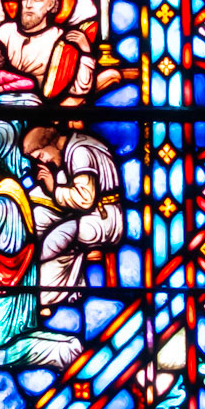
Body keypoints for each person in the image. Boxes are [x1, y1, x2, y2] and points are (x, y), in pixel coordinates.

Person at [0, 160, 83, 371]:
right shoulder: (14, 193)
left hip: (8, 277)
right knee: (22, 331)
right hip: (25, 271)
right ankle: (68, 344)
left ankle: (63, 352)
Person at [21, 122, 125, 307]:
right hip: (92, 216)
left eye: (41, 155)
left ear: (50, 144)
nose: (43, 161)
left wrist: (53, 188)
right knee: (37, 223)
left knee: (48, 244)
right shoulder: (73, 147)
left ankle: (43, 295)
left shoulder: (80, 152)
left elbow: (85, 199)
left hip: (101, 220)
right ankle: (71, 284)